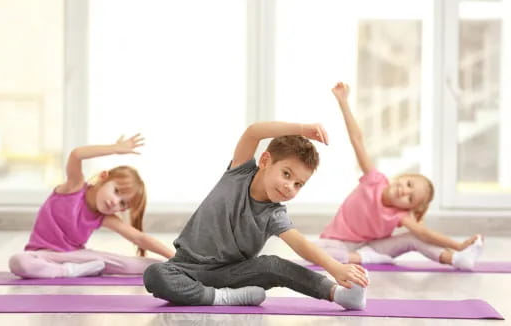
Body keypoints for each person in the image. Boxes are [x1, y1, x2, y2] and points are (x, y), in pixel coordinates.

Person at [143, 121, 369, 310]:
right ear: (265, 161)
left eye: (298, 184)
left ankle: (337, 294)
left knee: (272, 265)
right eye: (286, 174)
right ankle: (224, 298)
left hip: (230, 275)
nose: (290, 186)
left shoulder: (274, 214)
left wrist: (335, 268)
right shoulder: (239, 172)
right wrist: (300, 129)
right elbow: (253, 132)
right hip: (186, 268)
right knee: (155, 274)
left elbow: (300, 243)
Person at [318, 82, 483, 271]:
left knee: (413, 238)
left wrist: (459, 246)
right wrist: (343, 101)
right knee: (315, 250)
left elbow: (423, 233)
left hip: (371, 249)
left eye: (410, 198)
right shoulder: (374, 180)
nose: (405, 191)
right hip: (337, 244)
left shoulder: (399, 215)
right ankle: (361, 258)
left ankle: (457, 259)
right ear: (403, 177)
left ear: (409, 208)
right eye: (409, 184)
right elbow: (357, 140)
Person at [9, 134, 175, 278]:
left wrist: (173, 257)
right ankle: (67, 271)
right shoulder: (74, 187)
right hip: (42, 255)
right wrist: (115, 148)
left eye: (123, 203)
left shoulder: (104, 217)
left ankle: (177, 268)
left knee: (129, 264)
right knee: (19, 262)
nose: (115, 202)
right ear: (103, 177)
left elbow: (138, 238)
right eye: (116, 191)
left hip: (77, 257)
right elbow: (76, 154)